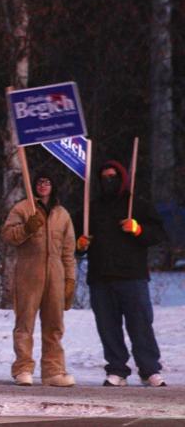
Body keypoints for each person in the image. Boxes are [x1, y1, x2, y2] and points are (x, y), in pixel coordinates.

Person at [73, 160, 167, 387]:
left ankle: (149, 369)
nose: (109, 181)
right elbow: (72, 242)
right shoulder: (90, 208)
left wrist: (138, 229)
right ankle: (117, 369)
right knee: (107, 327)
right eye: (105, 177)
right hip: (101, 277)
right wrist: (80, 244)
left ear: (123, 178)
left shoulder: (137, 205)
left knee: (140, 324)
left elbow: (158, 234)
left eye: (113, 176)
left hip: (132, 276)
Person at [1, 173, 76, 387]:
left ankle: (53, 371)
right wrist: (26, 229)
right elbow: (7, 235)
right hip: (28, 272)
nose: (43, 185)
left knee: (54, 324)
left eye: (48, 181)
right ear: (33, 185)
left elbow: (68, 251)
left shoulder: (62, 214)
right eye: (40, 182)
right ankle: (23, 368)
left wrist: (69, 278)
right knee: (25, 322)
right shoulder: (23, 209)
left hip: (56, 274)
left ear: (53, 186)